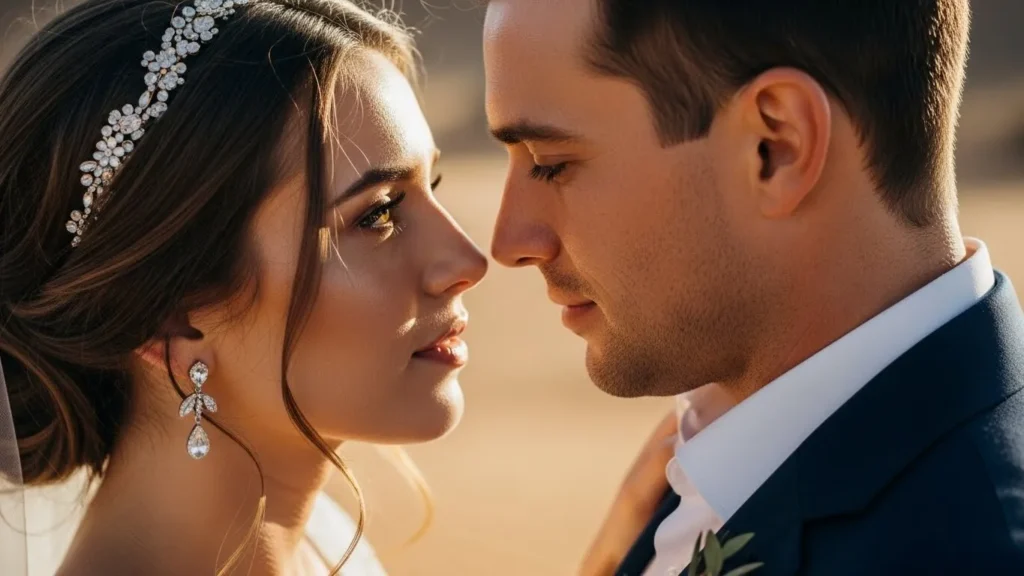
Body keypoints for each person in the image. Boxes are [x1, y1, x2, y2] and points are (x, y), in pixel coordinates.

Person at [483, 0, 1024, 574]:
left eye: (552, 163)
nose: (509, 242)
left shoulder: (976, 552)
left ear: (776, 147)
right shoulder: (723, 448)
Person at [0, 0, 487, 574]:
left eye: (431, 183)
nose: (467, 260)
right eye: (377, 214)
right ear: (176, 315)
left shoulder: (324, 551)